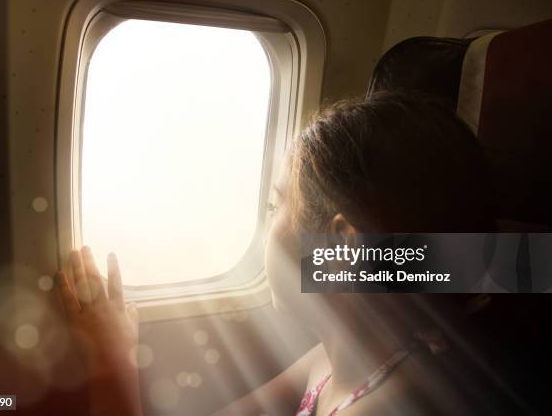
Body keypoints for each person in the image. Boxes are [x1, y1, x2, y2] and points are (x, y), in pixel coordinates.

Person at [56, 92, 527, 415]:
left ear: (342, 248)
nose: (268, 224)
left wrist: (109, 362)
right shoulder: (340, 359)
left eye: (277, 204)